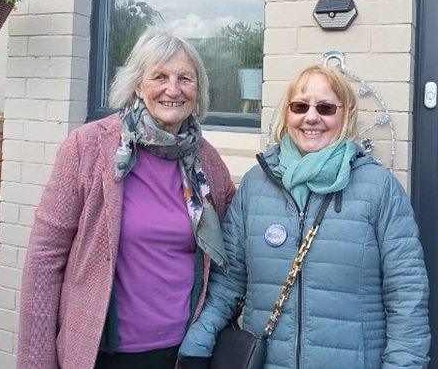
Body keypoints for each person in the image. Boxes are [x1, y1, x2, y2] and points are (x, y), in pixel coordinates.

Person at [179, 64, 430, 368]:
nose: (312, 117)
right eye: (300, 106)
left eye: (325, 107)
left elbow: (407, 297)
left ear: (346, 114)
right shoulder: (256, 185)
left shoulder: (379, 188)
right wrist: (197, 345)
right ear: (288, 113)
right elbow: (228, 282)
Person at [18, 30, 236, 369]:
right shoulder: (88, 147)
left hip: (183, 350)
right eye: (159, 77)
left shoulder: (207, 163)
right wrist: (37, 362)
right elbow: (44, 260)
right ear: (137, 85)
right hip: (102, 353)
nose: (173, 90)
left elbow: (231, 252)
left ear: (198, 90)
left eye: (185, 79)